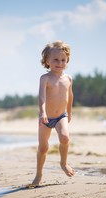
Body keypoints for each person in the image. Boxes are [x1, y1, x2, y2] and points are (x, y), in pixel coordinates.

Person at [32, 40, 75, 186]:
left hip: (61, 116)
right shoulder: (45, 78)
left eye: (63, 60)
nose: (60, 63)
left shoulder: (68, 78)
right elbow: (42, 97)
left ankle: (63, 163)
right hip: (45, 117)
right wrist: (42, 112)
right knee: (43, 148)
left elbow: (70, 96)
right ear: (47, 61)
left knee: (64, 137)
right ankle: (38, 175)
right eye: (56, 59)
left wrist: (69, 112)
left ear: (67, 61)